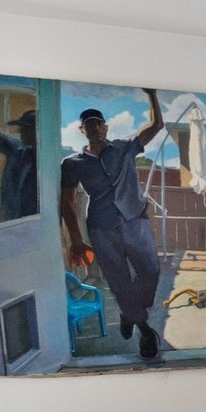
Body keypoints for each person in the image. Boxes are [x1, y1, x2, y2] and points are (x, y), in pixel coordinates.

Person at [60, 89, 166, 359]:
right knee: (119, 282)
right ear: (82, 129)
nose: (96, 128)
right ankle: (145, 331)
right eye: (90, 124)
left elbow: (157, 125)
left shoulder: (125, 148)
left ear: (106, 127)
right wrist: (76, 239)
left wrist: (152, 94)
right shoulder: (72, 163)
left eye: (99, 123)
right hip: (101, 228)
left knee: (151, 272)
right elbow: (69, 202)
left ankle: (130, 313)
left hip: (135, 222)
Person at [0, 73, 39, 220]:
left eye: (25, 128)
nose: (21, 132)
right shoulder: (17, 150)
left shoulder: (50, 159)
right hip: (13, 222)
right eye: (21, 128)